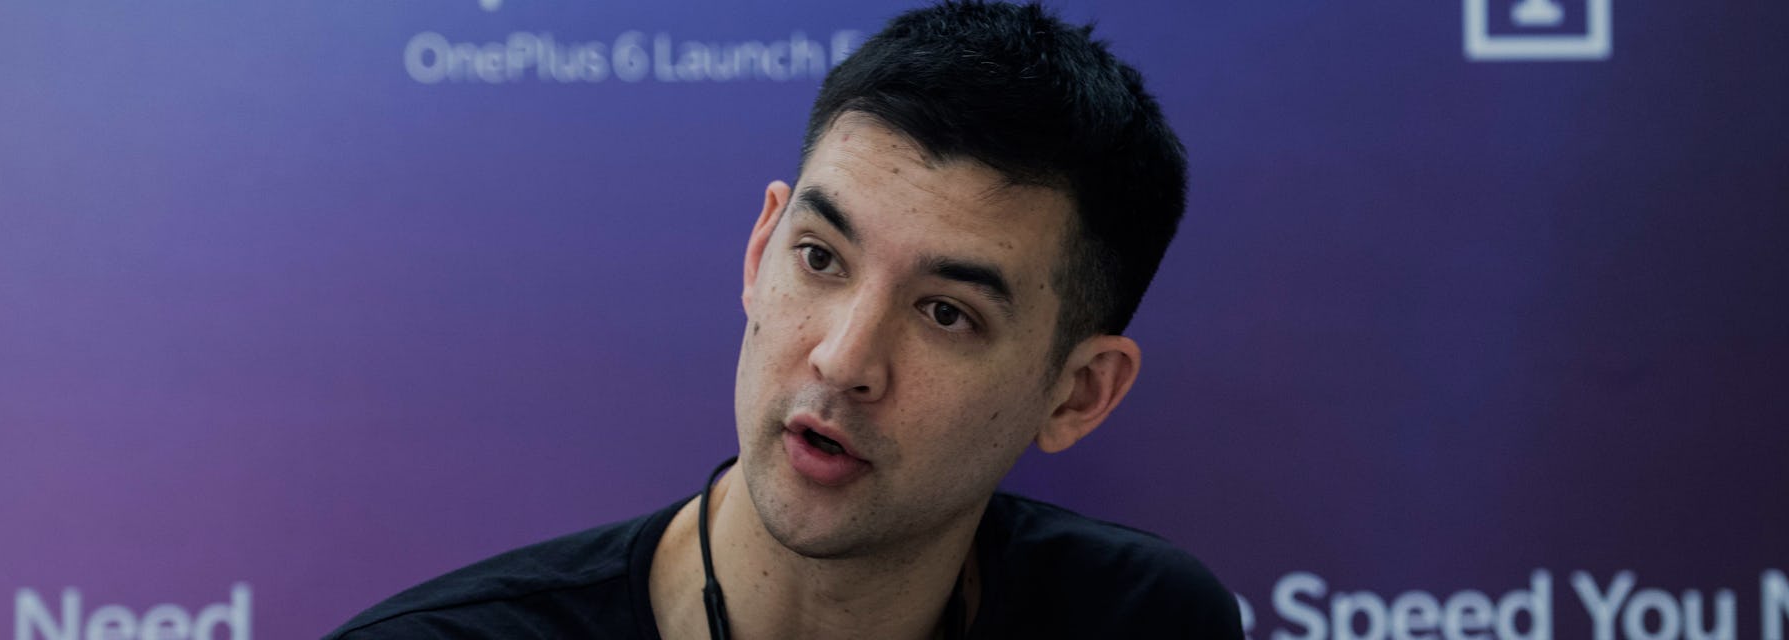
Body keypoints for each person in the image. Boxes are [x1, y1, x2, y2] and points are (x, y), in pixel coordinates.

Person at [327, 2, 1240, 637]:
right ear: (761, 251)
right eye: (820, 258)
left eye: (945, 314)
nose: (844, 361)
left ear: (1078, 394)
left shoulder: (1146, 617)